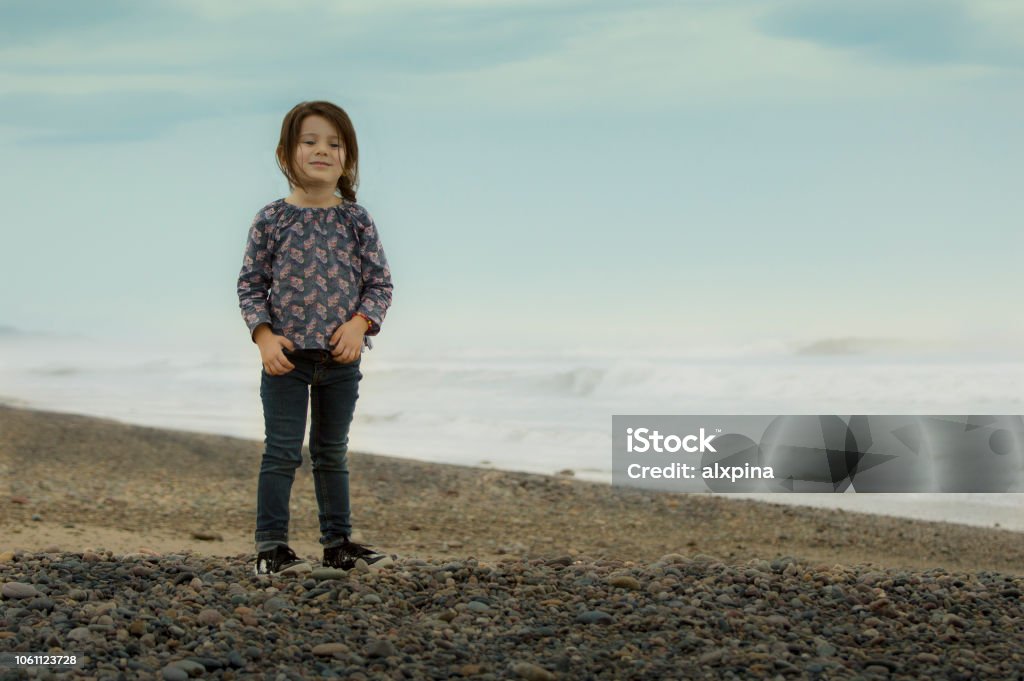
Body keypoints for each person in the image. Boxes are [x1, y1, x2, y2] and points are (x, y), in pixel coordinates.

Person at [237, 100, 394, 575]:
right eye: (309, 142)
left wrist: (359, 323)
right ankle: (271, 548)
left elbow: (380, 284)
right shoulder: (272, 219)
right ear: (287, 153)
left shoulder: (356, 219)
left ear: (348, 157)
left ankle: (338, 543)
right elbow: (250, 284)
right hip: (285, 358)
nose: (322, 150)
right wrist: (264, 337)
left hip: (341, 361)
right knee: (282, 451)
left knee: (331, 453)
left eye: (334, 143)